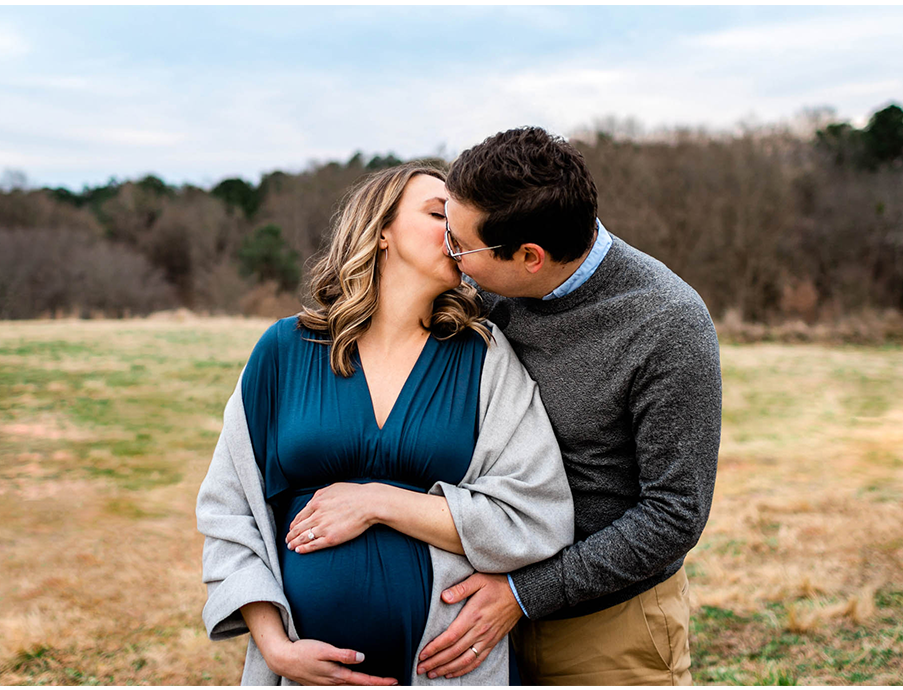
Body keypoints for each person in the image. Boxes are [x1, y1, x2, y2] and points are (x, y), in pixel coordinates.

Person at [199, 162, 575, 685]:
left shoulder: (484, 356)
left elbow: (538, 514)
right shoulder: (284, 350)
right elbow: (228, 511)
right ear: (380, 232)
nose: (458, 233)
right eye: (439, 213)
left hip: (445, 667)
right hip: (301, 671)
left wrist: (379, 502)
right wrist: (275, 647)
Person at [419, 127, 721, 685]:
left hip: (609, 630)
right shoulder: (484, 289)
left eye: (460, 243)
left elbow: (675, 512)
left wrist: (524, 593)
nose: (448, 252)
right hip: (479, 616)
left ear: (530, 257)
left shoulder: (668, 324)